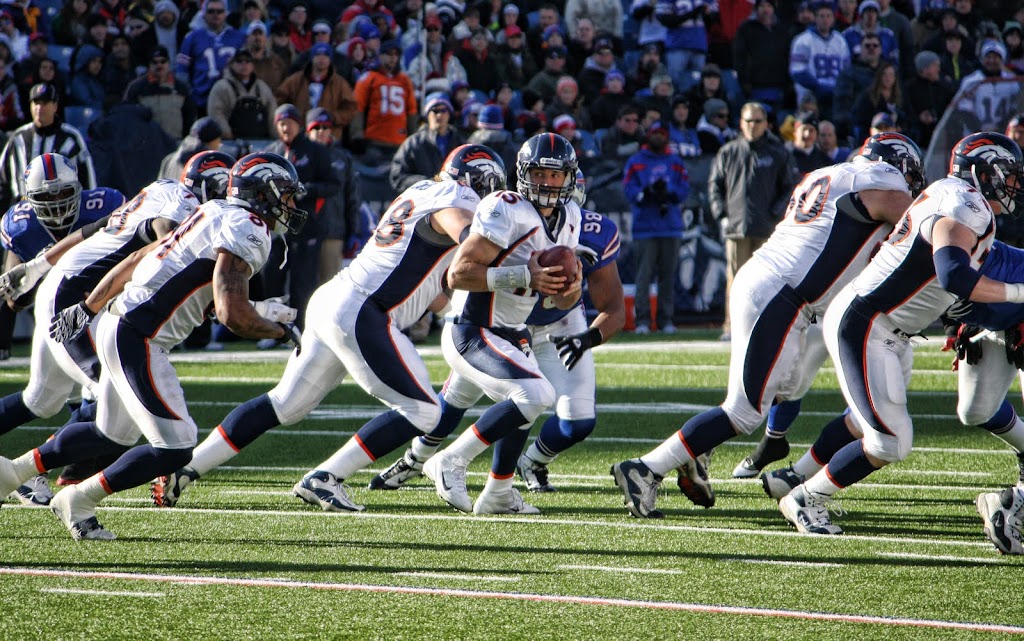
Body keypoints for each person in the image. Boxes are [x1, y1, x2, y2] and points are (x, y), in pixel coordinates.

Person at [149, 145, 506, 512]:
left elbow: (428, 287)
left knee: (284, 404)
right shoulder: (456, 197)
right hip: (363, 310)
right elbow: (464, 232)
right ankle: (326, 477)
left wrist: (460, 308)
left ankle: (187, 468)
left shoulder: (421, 191)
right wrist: (508, 256)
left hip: (335, 299)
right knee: (425, 411)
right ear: (483, 182)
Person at [611, 133, 921, 517]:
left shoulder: (831, 173)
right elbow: (921, 226)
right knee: (744, 411)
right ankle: (645, 469)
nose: (909, 188)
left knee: (784, 389)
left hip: (774, 288)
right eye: (911, 178)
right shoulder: (882, 181)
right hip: (782, 296)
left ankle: (695, 448)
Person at [0, 153, 305, 540]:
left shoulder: (209, 213)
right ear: (261, 193)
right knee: (177, 446)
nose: (290, 204)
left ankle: (14, 472)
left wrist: (89, 306)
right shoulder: (248, 226)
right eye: (286, 194)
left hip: (114, 321)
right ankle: (78, 498)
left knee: (112, 433)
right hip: (138, 336)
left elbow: (139, 257)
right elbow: (231, 313)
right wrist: (279, 332)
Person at [766, 132, 1024, 536]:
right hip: (866, 323)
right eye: (1008, 175)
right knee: (889, 440)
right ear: (983, 172)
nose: (1013, 185)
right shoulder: (965, 204)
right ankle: (805, 497)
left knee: (886, 435)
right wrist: (1018, 293)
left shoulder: (951, 195)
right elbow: (954, 275)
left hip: (884, 328)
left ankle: (799, 484)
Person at [371, 172, 625, 493]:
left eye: (558, 182)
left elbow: (607, 306)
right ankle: (417, 459)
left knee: (571, 416)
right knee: (459, 399)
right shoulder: (513, 214)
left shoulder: (588, 228)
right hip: (499, 320)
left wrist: (584, 328)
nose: (551, 191)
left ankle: (524, 468)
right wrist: (522, 276)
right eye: (543, 179)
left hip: (557, 323)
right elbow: (461, 271)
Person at [0, 151, 230, 502]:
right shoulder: (184, 206)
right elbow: (162, 238)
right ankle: (28, 473)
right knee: (114, 391)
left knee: (41, 399)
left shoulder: (160, 190)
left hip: (68, 288)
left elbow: (92, 230)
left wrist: (37, 266)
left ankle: (32, 471)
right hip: (74, 298)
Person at [420, 133, 583, 515]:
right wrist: (524, 276)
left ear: (569, 178)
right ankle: (450, 460)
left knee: (528, 402)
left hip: (512, 329)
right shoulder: (506, 208)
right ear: (523, 174)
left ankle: (499, 492)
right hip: (471, 327)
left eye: (556, 175)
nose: (547, 183)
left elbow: (560, 301)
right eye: (539, 173)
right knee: (535, 394)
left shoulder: (571, 217)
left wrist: (571, 287)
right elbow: (458, 274)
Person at [710, 101, 797, 341]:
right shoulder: (728, 152)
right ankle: (731, 327)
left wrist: (775, 215)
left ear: (766, 123)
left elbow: (790, 187)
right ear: (741, 122)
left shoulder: (778, 152)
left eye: (758, 121)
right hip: (736, 227)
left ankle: (765, 326)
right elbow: (715, 185)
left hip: (769, 230)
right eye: (748, 121)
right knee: (735, 279)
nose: (752, 125)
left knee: (769, 280)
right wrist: (722, 215)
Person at [263, 104, 340, 330]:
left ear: (299, 125)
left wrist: (303, 190)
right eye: (281, 123)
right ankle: (272, 329)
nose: (285, 128)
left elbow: (333, 185)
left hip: (307, 227)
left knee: (303, 283)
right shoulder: (271, 152)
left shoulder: (316, 151)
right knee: (271, 278)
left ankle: (301, 330)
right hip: (276, 229)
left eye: (289, 123)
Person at [623, 121, 689, 335]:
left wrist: (668, 192)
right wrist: (646, 193)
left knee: (668, 277)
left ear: (667, 137)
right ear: (648, 136)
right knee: (644, 276)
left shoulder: (675, 162)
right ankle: (642, 321)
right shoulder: (636, 161)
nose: (658, 137)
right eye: (654, 133)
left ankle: (666, 320)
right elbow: (629, 189)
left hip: (670, 226)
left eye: (662, 133)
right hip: (645, 227)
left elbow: (684, 189)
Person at [0, 83, 96, 211]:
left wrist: (88, 211)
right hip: (22, 212)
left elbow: (87, 178)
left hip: (61, 212)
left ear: (55, 106)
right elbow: (2, 180)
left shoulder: (71, 138)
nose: (39, 108)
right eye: (36, 103)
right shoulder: (18, 138)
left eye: (45, 103)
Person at [304, 108, 360, 285]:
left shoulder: (342, 157)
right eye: (316, 127)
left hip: (332, 232)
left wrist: (353, 231)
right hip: (304, 233)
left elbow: (352, 197)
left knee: (329, 286)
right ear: (307, 130)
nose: (321, 131)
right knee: (302, 287)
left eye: (325, 127)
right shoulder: (299, 154)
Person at [176, 0, 245, 116]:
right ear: (203, 14)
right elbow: (182, 70)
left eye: (219, 11)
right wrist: (189, 95)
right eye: (211, 11)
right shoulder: (192, 37)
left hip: (233, 99)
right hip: (201, 100)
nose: (215, 15)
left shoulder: (239, 37)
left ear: (226, 13)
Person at [351, 39, 417, 156]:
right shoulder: (369, 78)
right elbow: (357, 106)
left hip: (399, 142)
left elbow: (411, 111)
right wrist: (357, 135)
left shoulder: (405, 80)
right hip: (375, 141)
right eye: (389, 54)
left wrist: (413, 138)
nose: (393, 58)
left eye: (396, 54)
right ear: (380, 56)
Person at [276, 42, 356, 137]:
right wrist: (291, 117)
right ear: (312, 57)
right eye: (318, 54)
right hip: (299, 134)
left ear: (330, 59)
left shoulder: (340, 83)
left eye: (326, 55)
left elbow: (350, 108)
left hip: (329, 135)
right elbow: (280, 99)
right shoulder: (296, 80)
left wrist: (333, 117)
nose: (321, 58)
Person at [789, 0, 850, 121]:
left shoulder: (840, 40)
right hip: (810, 96)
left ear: (833, 18)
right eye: (821, 16)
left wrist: (838, 89)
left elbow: (847, 71)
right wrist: (818, 86)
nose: (825, 19)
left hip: (835, 97)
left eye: (828, 16)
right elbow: (797, 72)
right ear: (815, 18)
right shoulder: (803, 40)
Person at [390, 93, 465, 192]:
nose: (439, 115)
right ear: (427, 114)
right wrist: (428, 182)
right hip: (423, 198)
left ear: (449, 114)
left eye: (443, 110)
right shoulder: (412, 143)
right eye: (435, 111)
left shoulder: (461, 142)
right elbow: (397, 177)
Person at [123, 45, 196, 140]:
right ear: (149, 64)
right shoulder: (137, 87)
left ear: (168, 63)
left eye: (163, 61)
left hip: (175, 141)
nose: (159, 65)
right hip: (148, 143)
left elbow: (189, 117)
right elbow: (128, 116)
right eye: (155, 62)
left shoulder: (181, 88)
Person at [733, 0, 791, 115]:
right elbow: (739, 56)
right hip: (754, 87)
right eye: (762, 6)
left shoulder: (781, 30)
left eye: (769, 6)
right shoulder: (746, 28)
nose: (765, 9)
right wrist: (744, 81)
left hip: (778, 86)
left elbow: (787, 56)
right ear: (756, 8)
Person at [207, 48, 277, 140]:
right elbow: (216, 114)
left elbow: (272, 115)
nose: (244, 64)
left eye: (248, 61)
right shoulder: (221, 87)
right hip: (231, 143)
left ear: (252, 65)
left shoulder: (262, 87)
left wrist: (275, 137)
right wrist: (227, 134)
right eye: (239, 61)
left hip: (262, 142)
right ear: (231, 64)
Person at [956, 41, 1019, 132]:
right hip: (975, 134)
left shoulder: (1011, 82)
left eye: (996, 57)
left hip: (1003, 133)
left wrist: (1001, 128)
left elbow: (1014, 110)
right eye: (988, 57)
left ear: (1002, 59)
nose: (991, 61)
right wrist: (979, 131)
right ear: (982, 59)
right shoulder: (971, 81)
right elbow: (965, 111)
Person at [904, 50, 955, 149]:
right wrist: (919, 118)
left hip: (941, 140)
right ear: (925, 68)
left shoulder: (944, 87)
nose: (938, 69)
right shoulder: (910, 88)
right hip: (919, 140)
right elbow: (907, 110)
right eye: (935, 65)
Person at [788, 110, 832, 176]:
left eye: (811, 130)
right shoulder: (785, 155)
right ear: (795, 132)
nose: (807, 134)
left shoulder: (824, 160)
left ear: (816, 135)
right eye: (804, 129)